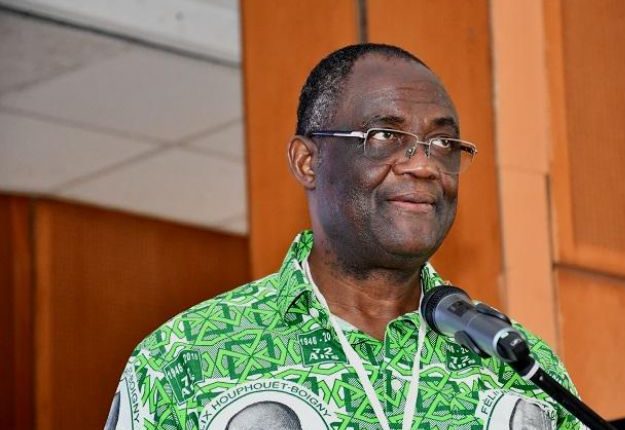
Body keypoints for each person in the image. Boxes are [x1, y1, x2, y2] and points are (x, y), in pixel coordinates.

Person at [106, 43, 584, 430]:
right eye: (385, 136)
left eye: (443, 143)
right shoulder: (185, 357)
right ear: (308, 162)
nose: (424, 165)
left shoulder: (518, 367)